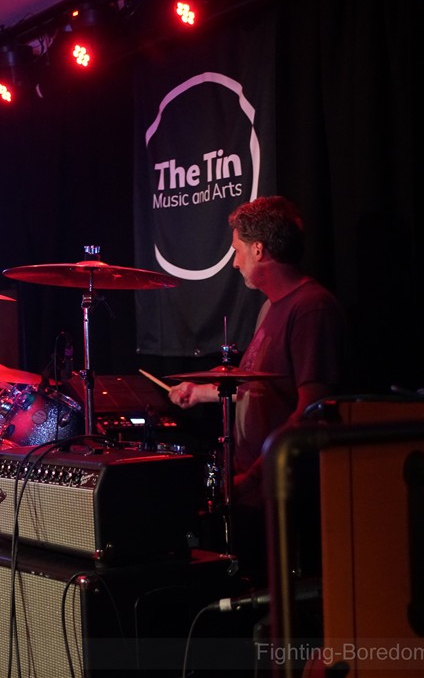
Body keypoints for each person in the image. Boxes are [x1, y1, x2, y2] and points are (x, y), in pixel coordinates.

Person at [168, 195, 345, 582]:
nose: (235, 262)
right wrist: (199, 392)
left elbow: (313, 409)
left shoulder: (311, 307)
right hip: (260, 482)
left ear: (259, 250)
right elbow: (259, 385)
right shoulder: (270, 307)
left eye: (237, 250)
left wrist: (255, 477)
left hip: (285, 484)